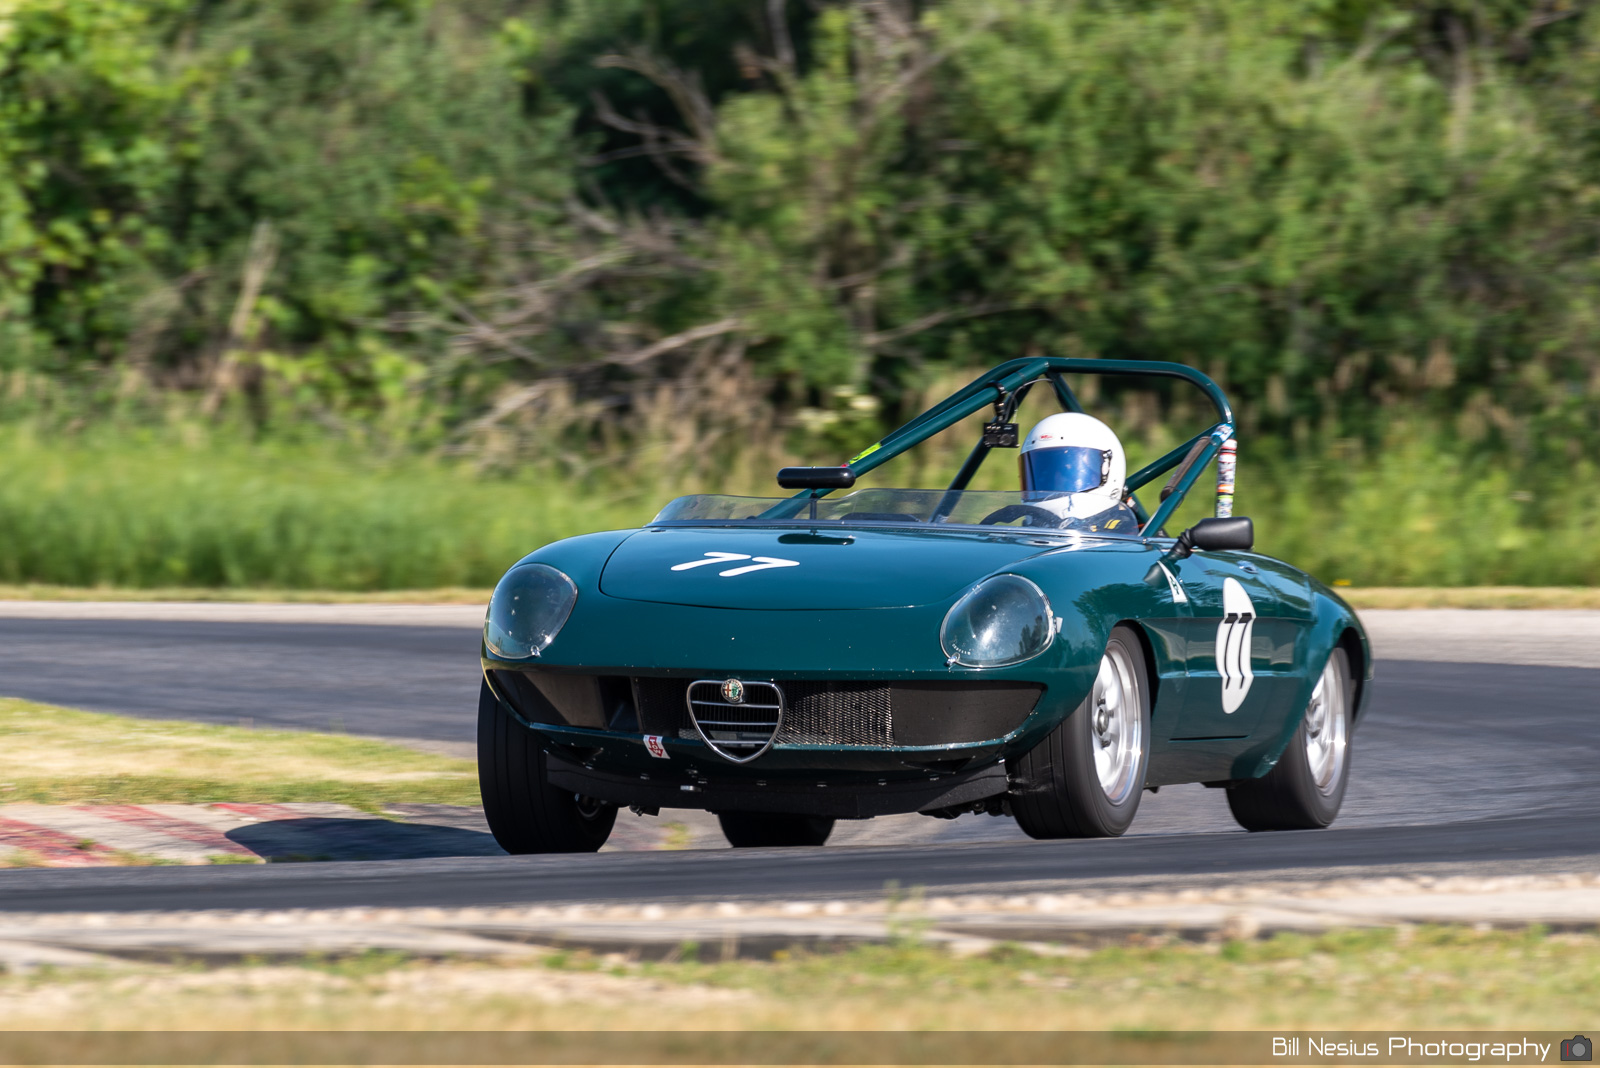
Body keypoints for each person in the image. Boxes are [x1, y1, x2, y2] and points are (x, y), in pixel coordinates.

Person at [1017, 412, 1139, 533]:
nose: (1058, 478)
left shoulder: (1127, 541)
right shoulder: (1022, 538)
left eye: (1067, 472)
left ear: (1108, 469)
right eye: (1045, 472)